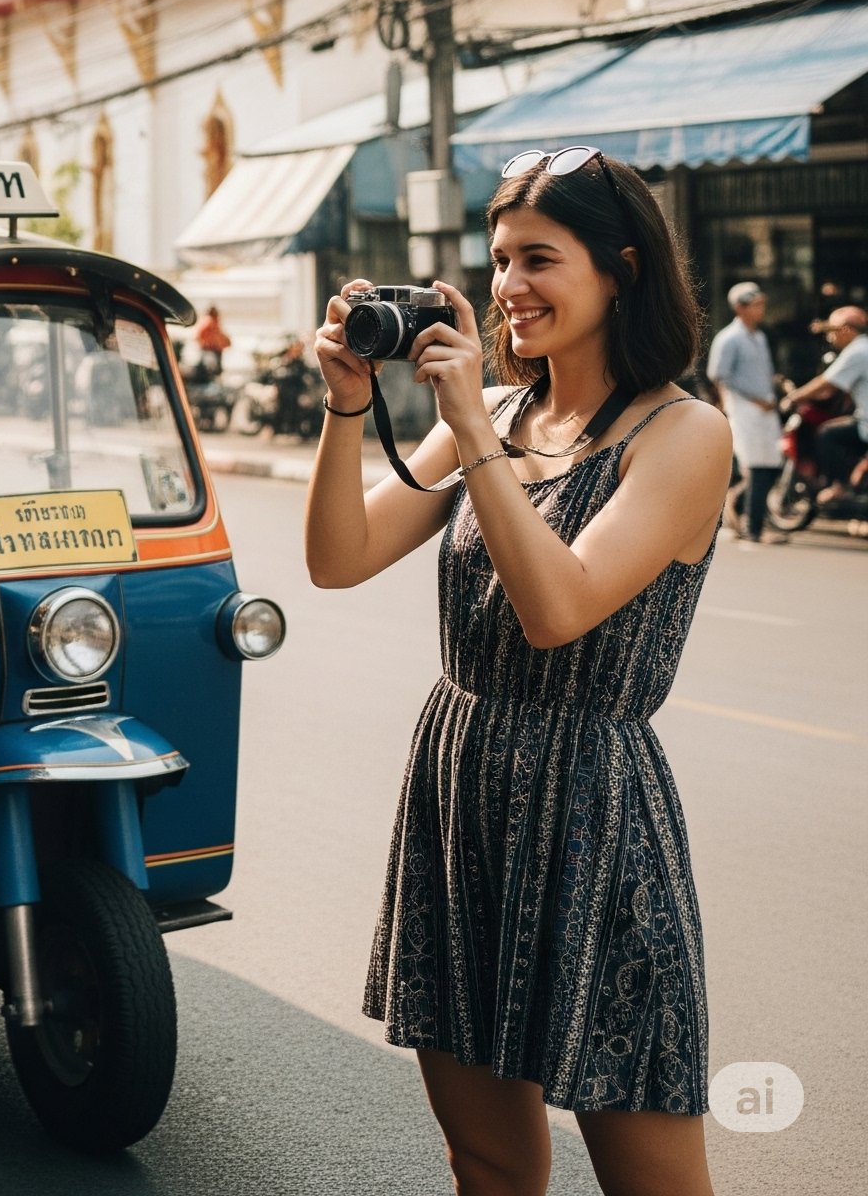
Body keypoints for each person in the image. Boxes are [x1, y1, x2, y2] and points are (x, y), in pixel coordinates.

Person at [305, 149, 729, 1196]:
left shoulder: (681, 433)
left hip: (593, 805)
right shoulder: (494, 413)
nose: (506, 287)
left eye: (537, 257)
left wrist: (468, 431)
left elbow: (557, 609)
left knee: (650, 1172)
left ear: (619, 267)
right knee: (486, 1162)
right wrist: (345, 404)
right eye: (497, 260)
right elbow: (336, 557)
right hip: (460, 792)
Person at [706, 282, 781, 546]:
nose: (761, 310)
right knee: (758, 467)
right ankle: (754, 529)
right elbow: (719, 376)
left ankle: (738, 503)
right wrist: (745, 401)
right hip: (745, 408)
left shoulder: (759, 336)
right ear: (740, 308)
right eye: (755, 304)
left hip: (767, 409)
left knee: (773, 465)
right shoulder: (729, 338)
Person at [780, 302, 868, 503]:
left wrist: (793, 397)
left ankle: (839, 485)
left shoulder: (857, 351)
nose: (831, 336)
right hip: (862, 418)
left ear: (845, 330)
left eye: (833, 331)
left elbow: (825, 382)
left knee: (828, 434)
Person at [194, 305, 231, 375]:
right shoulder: (209, 322)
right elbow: (200, 335)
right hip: (210, 348)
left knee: (214, 368)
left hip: (215, 348)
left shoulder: (213, 321)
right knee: (210, 367)